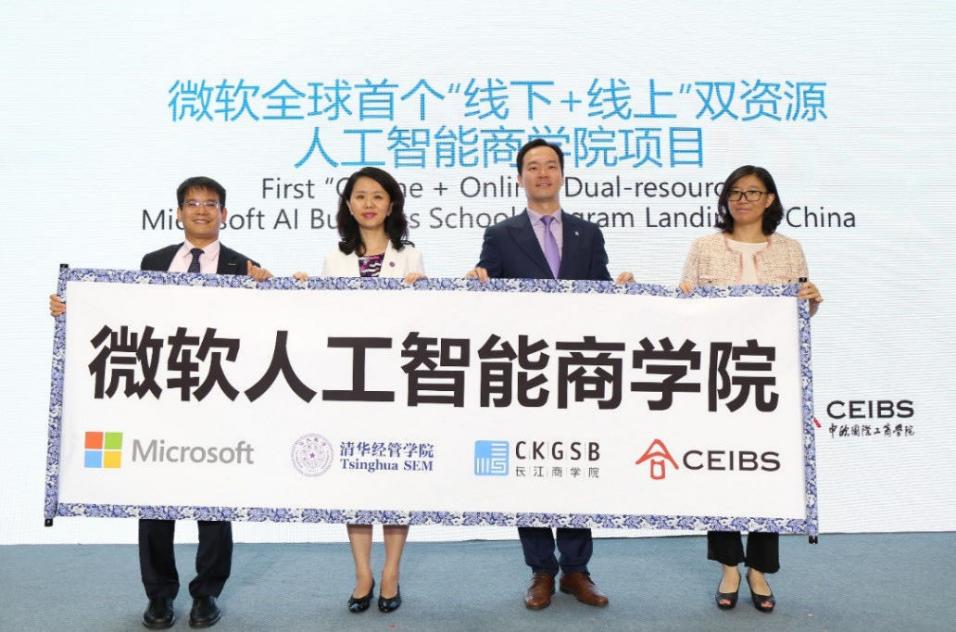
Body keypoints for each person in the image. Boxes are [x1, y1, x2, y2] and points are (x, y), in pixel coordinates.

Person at [50, 176, 271, 629]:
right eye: (192, 203)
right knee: (153, 498)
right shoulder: (153, 262)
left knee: (214, 501)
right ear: (178, 212)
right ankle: (159, 595)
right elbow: (125, 316)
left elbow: (267, 328)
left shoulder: (244, 266)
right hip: (158, 398)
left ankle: (207, 594)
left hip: (216, 398)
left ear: (224, 213)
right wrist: (74, 309)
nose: (201, 210)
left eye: (211, 203)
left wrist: (270, 288)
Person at [466, 138, 633, 610]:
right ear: (520, 177)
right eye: (533, 167)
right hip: (527, 369)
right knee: (529, 467)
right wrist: (476, 281)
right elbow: (488, 289)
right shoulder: (501, 234)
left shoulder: (588, 233)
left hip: (578, 369)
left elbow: (600, 291)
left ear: (562, 174)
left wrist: (622, 291)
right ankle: (541, 570)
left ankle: (576, 570)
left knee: (577, 464)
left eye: (551, 166)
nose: (543, 173)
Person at [679, 165, 823, 614]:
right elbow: (685, 313)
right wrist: (682, 299)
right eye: (735, 192)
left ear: (770, 200)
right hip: (716, 377)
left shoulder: (790, 249)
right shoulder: (703, 247)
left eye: (753, 192)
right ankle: (728, 566)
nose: (742, 200)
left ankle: (760, 569)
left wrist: (811, 302)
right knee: (719, 469)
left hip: (770, 378)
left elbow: (797, 318)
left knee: (768, 472)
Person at [296, 166, 422, 614]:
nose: (369, 203)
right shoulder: (334, 259)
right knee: (355, 479)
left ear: (392, 204)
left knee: (395, 477)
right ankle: (363, 573)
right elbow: (324, 321)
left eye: (378, 196)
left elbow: (423, 322)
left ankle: (391, 573)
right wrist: (301, 294)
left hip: (398, 384)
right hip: (349, 385)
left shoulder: (410, 256)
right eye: (360, 196)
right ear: (348, 205)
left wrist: (422, 294)